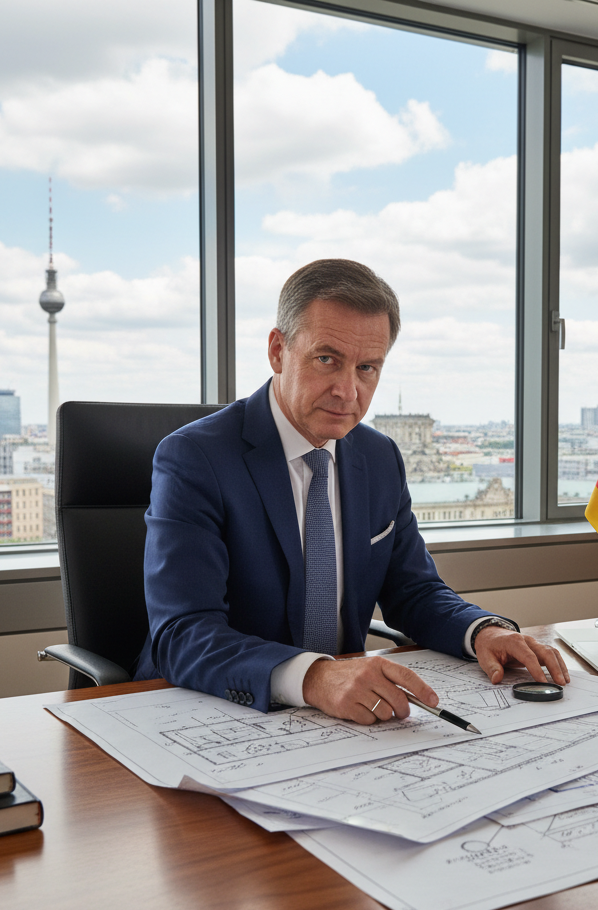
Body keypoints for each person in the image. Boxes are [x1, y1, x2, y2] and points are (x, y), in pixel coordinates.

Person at [135, 259, 569, 723]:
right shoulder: (194, 458)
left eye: (367, 368)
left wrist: (481, 631)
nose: (348, 391)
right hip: (215, 710)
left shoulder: (378, 458)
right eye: (327, 359)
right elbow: (182, 633)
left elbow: (415, 591)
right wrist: (315, 677)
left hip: (345, 719)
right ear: (278, 351)